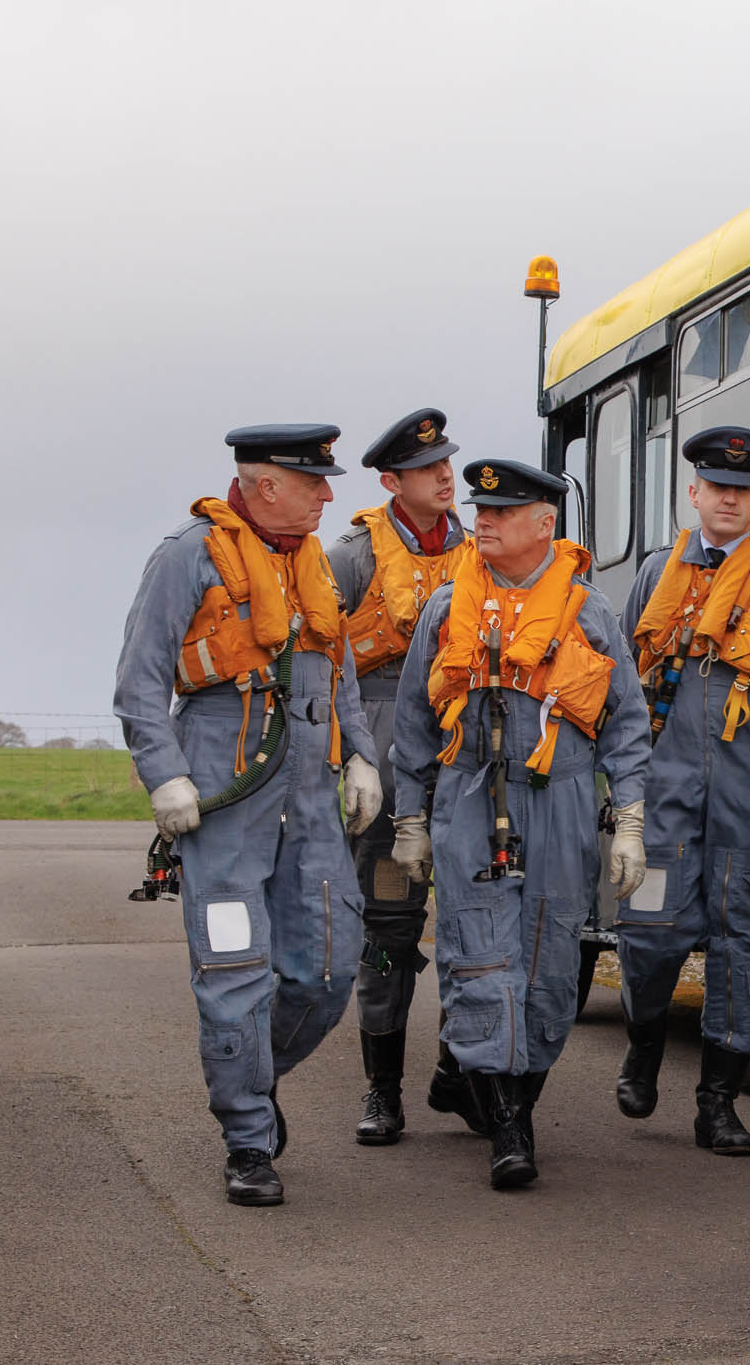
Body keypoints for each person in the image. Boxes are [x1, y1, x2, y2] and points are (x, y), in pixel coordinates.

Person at [114, 423, 384, 1207]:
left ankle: (252, 1085)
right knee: (233, 974)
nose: (329, 495)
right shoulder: (185, 556)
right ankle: (247, 1139)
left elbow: (338, 672)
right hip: (222, 798)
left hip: (311, 801)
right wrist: (164, 778)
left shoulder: (316, 569)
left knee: (329, 970)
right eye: (313, 482)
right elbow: (138, 684)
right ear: (265, 485)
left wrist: (361, 753)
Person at [390, 457, 651, 1189]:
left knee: (550, 960)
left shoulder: (593, 613)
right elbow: (414, 720)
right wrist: (411, 817)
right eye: (481, 510)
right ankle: (510, 1128)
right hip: (469, 794)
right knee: (481, 952)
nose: (485, 521)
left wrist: (628, 819)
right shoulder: (447, 608)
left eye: (502, 513)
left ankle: (485, 1082)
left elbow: (627, 725)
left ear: (546, 524)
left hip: (561, 797)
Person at [612, 426, 750, 1155]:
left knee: (743, 945)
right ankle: (643, 1045)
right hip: (663, 793)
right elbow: (624, 687)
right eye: (715, 488)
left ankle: (718, 1101)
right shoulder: (652, 574)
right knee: (646, 932)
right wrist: (625, 792)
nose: (728, 499)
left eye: (742, 490)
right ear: (694, 493)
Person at [326, 408, 476, 1146]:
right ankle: (382, 1091)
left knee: (479, 922)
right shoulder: (351, 558)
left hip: (465, 757)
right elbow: (320, 663)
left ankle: (460, 1069)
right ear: (391, 482)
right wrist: (347, 757)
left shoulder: (482, 555)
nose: (446, 475)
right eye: (427, 469)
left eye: (448, 463)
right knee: (388, 926)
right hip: (384, 758)